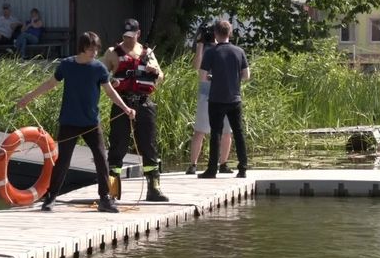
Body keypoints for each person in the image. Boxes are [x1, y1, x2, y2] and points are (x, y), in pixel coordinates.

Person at [17, 31, 136, 212]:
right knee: (63, 160)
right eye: (91, 49)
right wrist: (29, 97)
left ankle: (105, 198)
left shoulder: (99, 68)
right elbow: (50, 83)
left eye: (96, 49)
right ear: (82, 48)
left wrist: (125, 108)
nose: (95, 53)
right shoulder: (67, 65)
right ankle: (50, 198)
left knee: (101, 158)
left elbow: (110, 91)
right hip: (69, 121)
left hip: (91, 123)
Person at [100, 18, 169, 202]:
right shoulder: (112, 53)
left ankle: (154, 189)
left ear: (138, 34)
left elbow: (161, 77)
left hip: (144, 104)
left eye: (131, 36)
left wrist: (154, 70)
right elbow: (101, 76)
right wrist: (111, 81)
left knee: (149, 146)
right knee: (118, 146)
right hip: (122, 103)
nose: (128, 39)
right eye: (125, 36)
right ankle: (112, 191)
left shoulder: (147, 53)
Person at [197, 20, 250, 179]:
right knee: (239, 133)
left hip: (216, 99)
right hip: (234, 99)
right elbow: (246, 76)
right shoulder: (239, 51)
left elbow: (203, 77)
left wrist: (214, 77)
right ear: (230, 33)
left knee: (216, 133)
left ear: (215, 34)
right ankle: (243, 168)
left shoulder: (211, 52)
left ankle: (212, 170)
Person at [185, 40, 234, 175]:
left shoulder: (227, 49)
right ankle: (193, 164)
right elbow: (196, 68)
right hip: (206, 93)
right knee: (200, 130)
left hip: (224, 93)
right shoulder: (207, 49)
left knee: (226, 131)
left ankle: (223, 163)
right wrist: (200, 45)